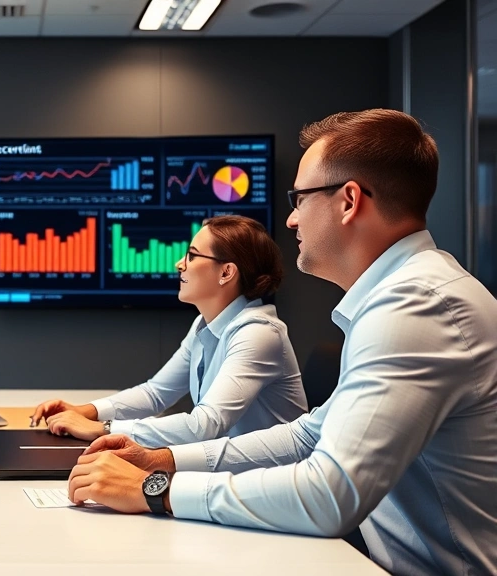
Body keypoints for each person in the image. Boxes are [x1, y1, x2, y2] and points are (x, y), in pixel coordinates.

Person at [68, 109, 497, 575]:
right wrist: (163, 459)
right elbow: (308, 434)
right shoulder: (403, 296)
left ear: (349, 201)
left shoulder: (414, 308)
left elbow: (329, 495)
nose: (291, 220)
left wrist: (156, 490)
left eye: (300, 198)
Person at [30, 215, 307, 446]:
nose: (179, 264)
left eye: (192, 255)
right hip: (231, 474)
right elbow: (156, 394)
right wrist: (84, 412)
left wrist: (103, 428)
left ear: (226, 273)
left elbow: (204, 425)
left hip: (268, 485)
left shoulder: (258, 333)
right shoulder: (203, 325)